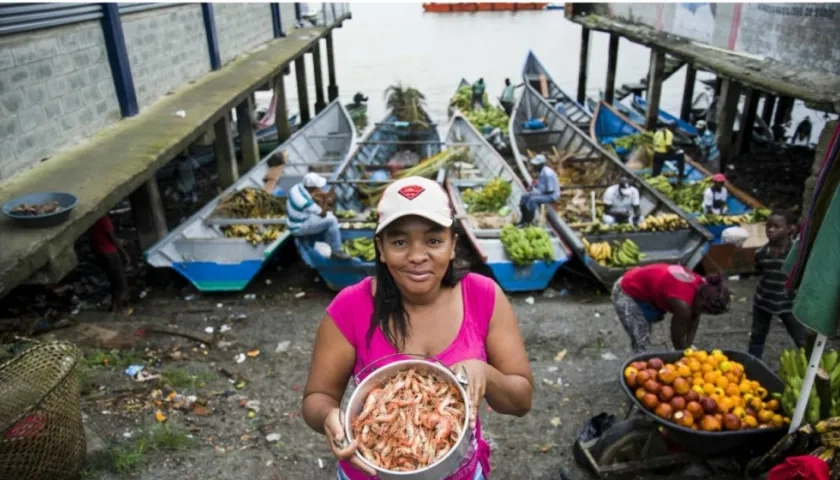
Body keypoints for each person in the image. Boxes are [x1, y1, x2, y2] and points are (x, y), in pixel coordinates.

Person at [301, 176, 533, 480]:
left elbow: (521, 402)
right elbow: (317, 396)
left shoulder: (484, 296)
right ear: (381, 249)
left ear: (453, 245)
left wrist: (484, 373)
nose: (417, 256)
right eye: (399, 242)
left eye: (434, 240)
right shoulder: (350, 307)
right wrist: (329, 417)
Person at [611, 263, 731, 353]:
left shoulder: (702, 287)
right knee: (641, 338)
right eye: (704, 309)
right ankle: (638, 372)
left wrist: (688, 346)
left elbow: (695, 318)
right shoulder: (683, 305)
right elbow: (676, 337)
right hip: (626, 290)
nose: (702, 312)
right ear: (701, 298)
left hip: (646, 287)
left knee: (647, 328)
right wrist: (683, 355)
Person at [748, 210, 806, 359]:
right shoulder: (761, 253)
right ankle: (753, 364)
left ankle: (812, 370)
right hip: (763, 301)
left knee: (801, 338)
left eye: (777, 226)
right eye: (768, 226)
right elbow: (760, 272)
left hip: (789, 303)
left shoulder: (796, 254)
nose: (771, 230)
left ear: (790, 229)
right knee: (757, 336)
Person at [287, 172, 351, 260]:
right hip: (299, 227)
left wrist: (319, 195)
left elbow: (313, 199)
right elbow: (322, 213)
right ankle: (336, 250)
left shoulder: (296, 187)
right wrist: (325, 199)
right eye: (318, 187)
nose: (320, 188)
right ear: (313, 188)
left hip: (293, 222)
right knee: (332, 220)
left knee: (330, 216)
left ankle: (330, 242)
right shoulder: (306, 202)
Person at [88, 215, 132, 316]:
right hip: (109, 252)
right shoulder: (104, 219)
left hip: (100, 252)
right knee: (119, 282)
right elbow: (112, 237)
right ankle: (121, 310)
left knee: (113, 280)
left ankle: (113, 306)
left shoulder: (93, 219)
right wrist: (124, 253)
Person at [517, 154, 560, 226]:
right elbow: (542, 184)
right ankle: (523, 220)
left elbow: (550, 190)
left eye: (536, 165)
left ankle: (528, 222)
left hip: (551, 196)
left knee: (532, 200)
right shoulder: (541, 171)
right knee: (524, 196)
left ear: (541, 164)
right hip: (543, 192)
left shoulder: (548, 173)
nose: (534, 166)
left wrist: (537, 193)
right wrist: (535, 184)